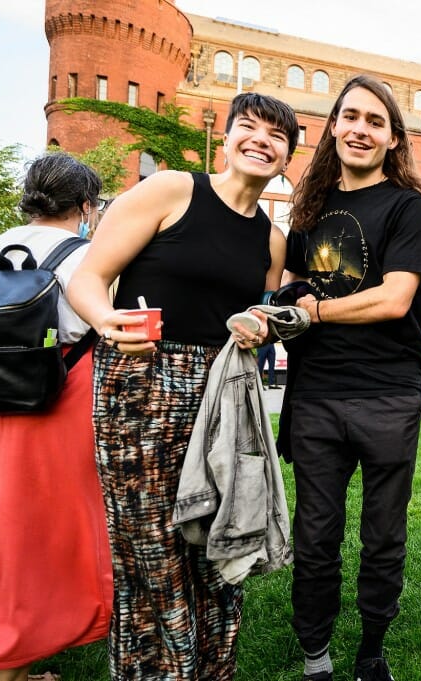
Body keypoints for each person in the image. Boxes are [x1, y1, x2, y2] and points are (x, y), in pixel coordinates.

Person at [67, 92, 297, 680]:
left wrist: (258, 326)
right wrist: (105, 321)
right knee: (149, 541)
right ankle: (158, 670)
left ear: (287, 154)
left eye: (276, 135)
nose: (261, 140)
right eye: (249, 127)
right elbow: (89, 276)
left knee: (214, 535)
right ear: (226, 138)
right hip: (139, 384)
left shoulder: (270, 239)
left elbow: (249, 313)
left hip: (219, 395)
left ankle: (211, 667)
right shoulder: (172, 189)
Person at [281, 74, 421, 681]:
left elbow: (395, 299)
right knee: (315, 535)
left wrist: (313, 310)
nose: (360, 130)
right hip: (316, 393)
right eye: (350, 117)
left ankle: (372, 648)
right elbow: (279, 274)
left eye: (375, 121)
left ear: (394, 138)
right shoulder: (311, 206)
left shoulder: (407, 207)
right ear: (333, 127)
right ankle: (316, 656)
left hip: (387, 394)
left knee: (382, 536)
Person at [0, 153, 112, 681]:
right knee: (40, 532)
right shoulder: (88, 257)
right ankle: (14, 658)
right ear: (84, 205)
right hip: (55, 404)